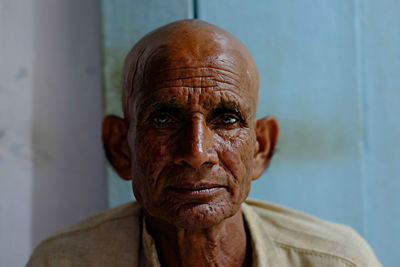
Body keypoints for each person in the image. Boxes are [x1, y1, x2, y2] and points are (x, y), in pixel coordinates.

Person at [27, 19, 382, 267]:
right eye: (164, 119)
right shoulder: (64, 261)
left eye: (227, 119)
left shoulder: (338, 261)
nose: (196, 153)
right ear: (121, 147)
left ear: (260, 148)